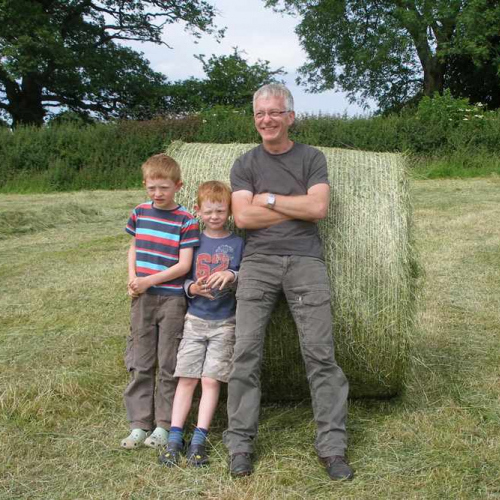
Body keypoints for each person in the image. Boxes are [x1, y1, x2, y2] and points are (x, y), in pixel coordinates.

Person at [223, 84, 353, 480]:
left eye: (275, 112)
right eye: (261, 113)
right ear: (255, 118)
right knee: (244, 354)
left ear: (290, 117)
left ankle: (332, 448)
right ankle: (240, 444)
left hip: (305, 262)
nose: (267, 119)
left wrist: (270, 200)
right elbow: (242, 219)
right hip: (258, 262)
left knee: (320, 355)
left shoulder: (312, 158)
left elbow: (318, 207)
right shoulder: (245, 163)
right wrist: (294, 208)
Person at [159, 181, 244, 467]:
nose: (215, 216)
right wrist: (192, 289)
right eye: (209, 211)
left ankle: (199, 438)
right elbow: (180, 275)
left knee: (210, 380)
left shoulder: (237, 243)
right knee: (186, 378)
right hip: (195, 320)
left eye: (221, 210)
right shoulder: (193, 240)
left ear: (230, 212)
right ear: (198, 211)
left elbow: (248, 272)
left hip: (225, 323)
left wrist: (232, 274)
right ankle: (174, 436)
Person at [121, 153, 200, 450]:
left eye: (164, 188)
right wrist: (133, 279)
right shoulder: (140, 212)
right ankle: (139, 423)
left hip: (172, 300)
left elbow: (183, 266)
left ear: (178, 185)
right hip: (143, 297)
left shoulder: (187, 221)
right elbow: (134, 246)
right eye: (152, 188)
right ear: (145, 185)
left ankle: (163, 425)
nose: (158, 194)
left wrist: (149, 281)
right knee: (141, 362)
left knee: (168, 363)